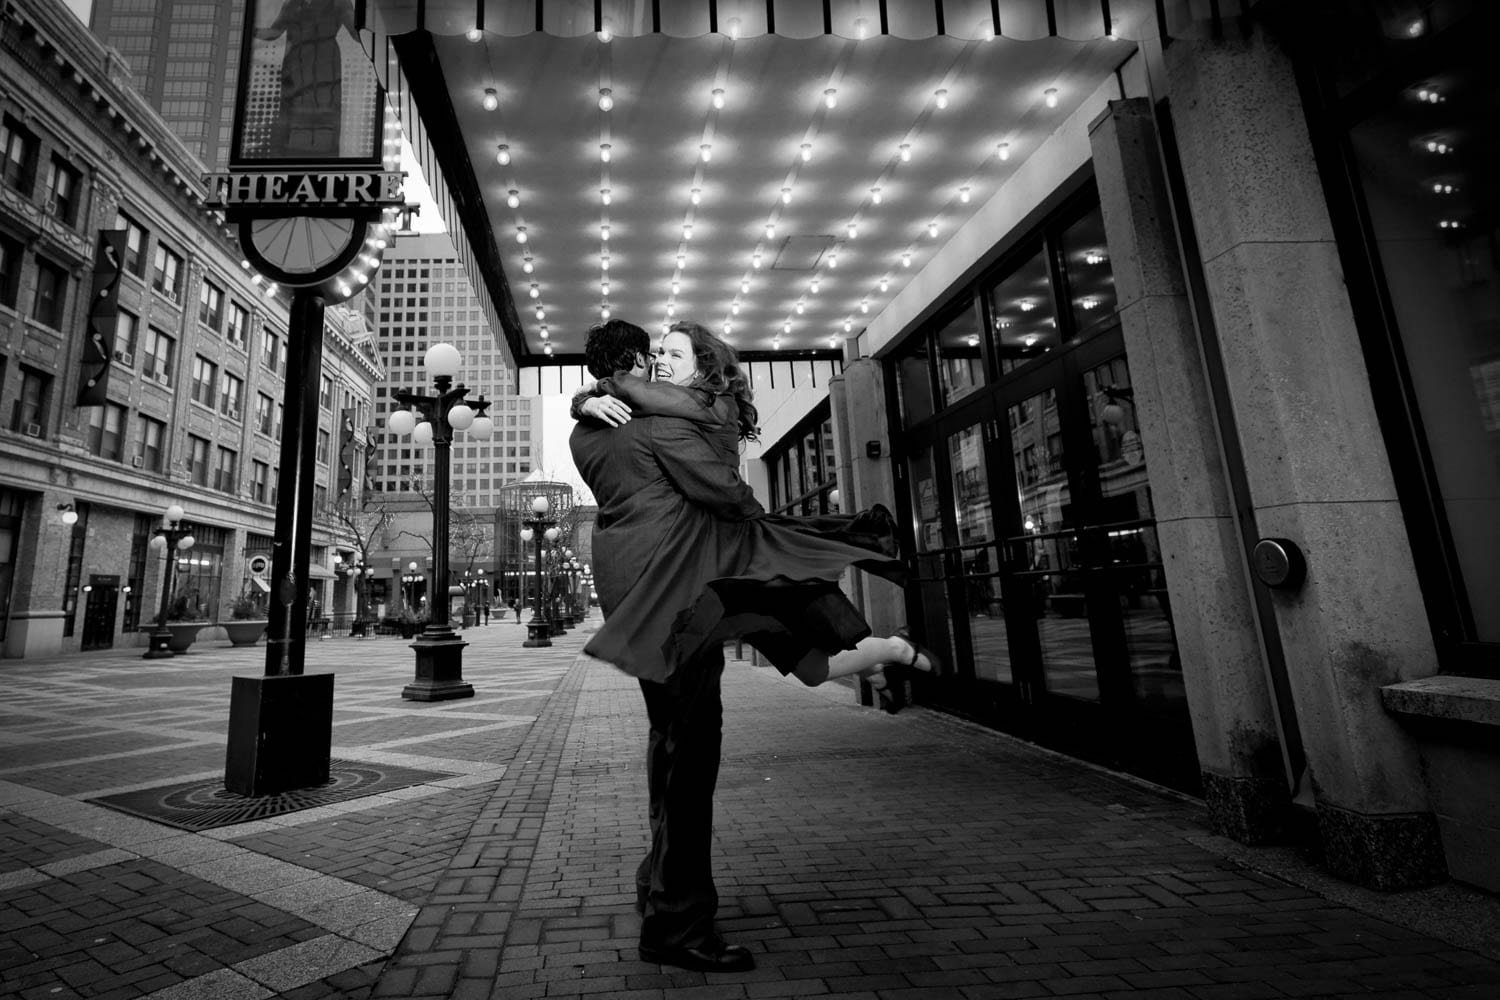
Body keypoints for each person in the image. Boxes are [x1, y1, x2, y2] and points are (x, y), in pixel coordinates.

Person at [575, 321, 937, 706]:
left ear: (702, 367)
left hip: (739, 557)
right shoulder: (667, 402)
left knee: (811, 663)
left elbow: (637, 393)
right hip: (717, 567)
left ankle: (894, 650)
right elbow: (640, 397)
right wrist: (587, 399)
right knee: (813, 665)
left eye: (673, 354)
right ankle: (880, 659)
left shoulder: (706, 402)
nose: (661, 360)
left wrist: (593, 393)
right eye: (660, 352)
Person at [569, 319, 763, 974]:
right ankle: (678, 926)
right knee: (691, 757)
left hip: (633, 599)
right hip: (674, 599)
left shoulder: (587, 428)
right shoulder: (658, 425)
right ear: (630, 367)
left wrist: (583, 396)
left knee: (669, 744)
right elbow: (725, 493)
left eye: (667, 354)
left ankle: (657, 882)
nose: (657, 363)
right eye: (651, 355)